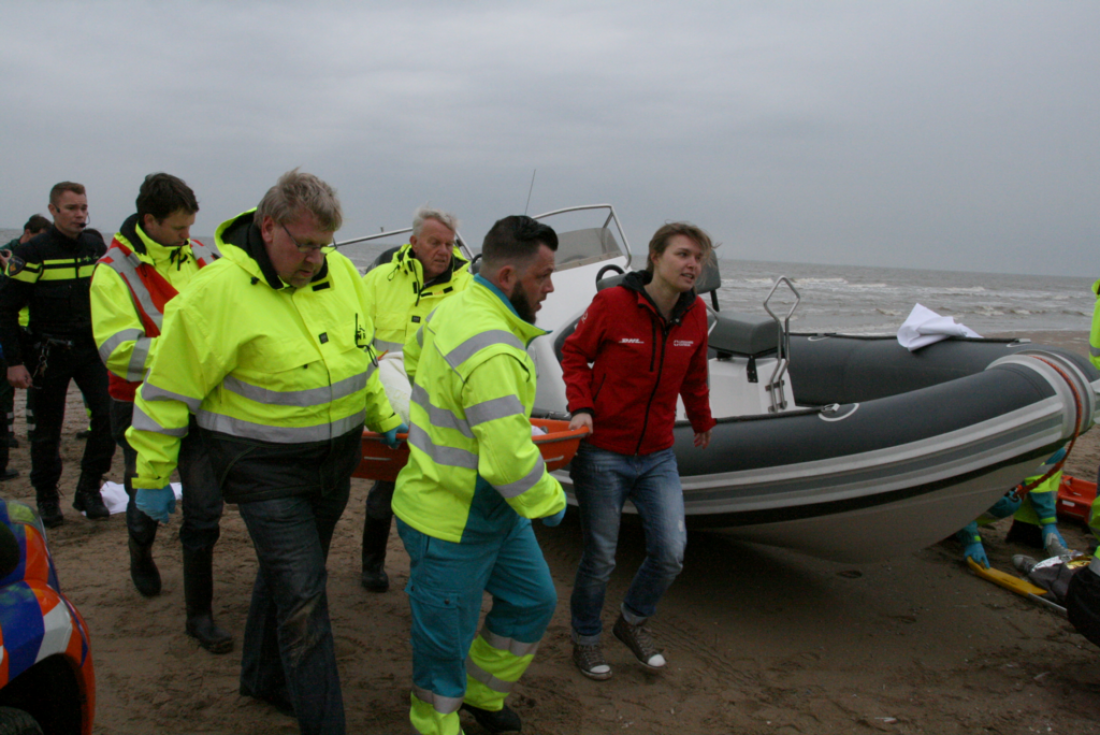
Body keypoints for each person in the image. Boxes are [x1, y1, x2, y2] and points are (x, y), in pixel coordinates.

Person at [125, 170, 402, 735]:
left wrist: (386, 416)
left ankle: (261, 677)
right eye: (303, 245)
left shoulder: (342, 273)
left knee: (289, 578)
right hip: (262, 471)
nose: (314, 260)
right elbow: (164, 393)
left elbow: (360, 356)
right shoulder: (212, 295)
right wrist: (151, 474)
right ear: (267, 225)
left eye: (323, 246)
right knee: (304, 596)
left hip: (333, 465)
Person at [392, 214, 567, 735]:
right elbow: (510, 460)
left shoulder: (456, 303)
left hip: (491, 509)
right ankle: (436, 721)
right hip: (448, 519)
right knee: (444, 642)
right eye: (543, 277)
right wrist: (552, 501)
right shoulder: (493, 346)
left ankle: (483, 695)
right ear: (509, 276)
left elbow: (415, 357)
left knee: (534, 599)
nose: (551, 287)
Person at [561, 222, 716, 680]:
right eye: (684, 255)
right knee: (601, 556)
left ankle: (631, 621)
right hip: (603, 451)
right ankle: (586, 639)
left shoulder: (696, 315)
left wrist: (702, 417)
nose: (692, 265)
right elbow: (574, 355)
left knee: (670, 552)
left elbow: (694, 374)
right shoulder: (612, 304)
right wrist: (582, 407)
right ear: (655, 256)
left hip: (657, 454)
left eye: (699, 258)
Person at [89, 173, 232, 652]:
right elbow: (118, 351)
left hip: (199, 404)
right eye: (176, 229)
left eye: (190, 227)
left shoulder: (203, 256)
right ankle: (141, 552)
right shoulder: (112, 272)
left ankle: (199, 616)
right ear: (149, 221)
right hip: (136, 406)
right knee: (143, 496)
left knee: (204, 510)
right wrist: (187, 356)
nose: (186, 237)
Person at [359, 205, 472, 593]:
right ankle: (370, 566)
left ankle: (427, 572)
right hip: (386, 403)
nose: (444, 251)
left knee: (437, 496)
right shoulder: (377, 280)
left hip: (440, 406)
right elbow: (354, 336)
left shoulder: (468, 288)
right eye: (435, 242)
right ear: (413, 242)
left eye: (450, 244)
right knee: (384, 489)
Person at [0, 183, 115, 527]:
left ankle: (89, 490)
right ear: (53, 210)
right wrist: (14, 362)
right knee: (47, 432)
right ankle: (48, 497)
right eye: (71, 208)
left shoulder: (94, 246)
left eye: (83, 207)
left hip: (91, 350)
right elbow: (5, 309)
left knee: (108, 420)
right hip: (47, 353)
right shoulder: (33, 253)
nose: (80, 214)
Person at [0, 215, 48, 464]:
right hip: (11, 327)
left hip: (33, 328)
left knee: (36, 381)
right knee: (5, 383)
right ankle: (7, 432)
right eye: (39, 235)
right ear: (28, 232)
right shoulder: (7, 253)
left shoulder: (40, 255)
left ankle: (34, 429)